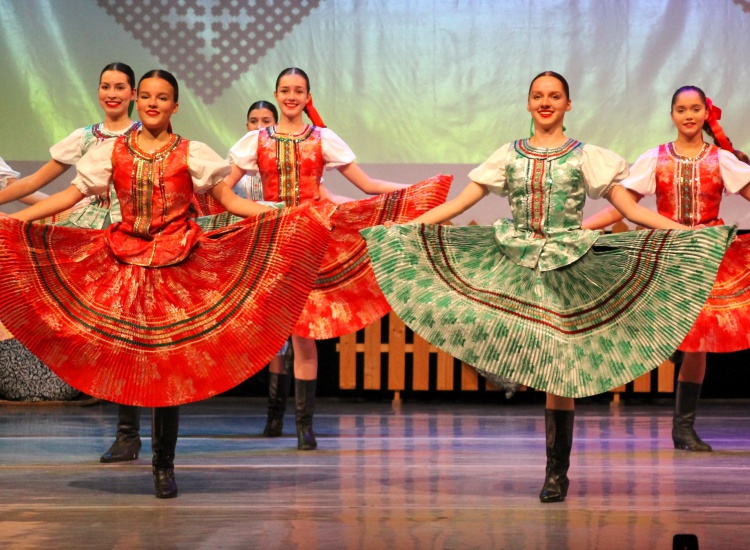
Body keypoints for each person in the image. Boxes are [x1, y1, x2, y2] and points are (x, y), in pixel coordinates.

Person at [361, 71, 733, 502]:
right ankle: (518, 400)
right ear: (528, 103)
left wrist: (688, 234)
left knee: (560, 370)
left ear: (567, 105)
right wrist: (405, 229)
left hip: (567, 264)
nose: (545, 102)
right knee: (496, 330)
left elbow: (629, 209)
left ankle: (556, 473)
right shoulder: (509, 155)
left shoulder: (585, 156)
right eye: (538, 95)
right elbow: (461, 203)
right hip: (515, 260)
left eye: (554, 96)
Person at [0, 69, 331, 498]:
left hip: (177, 268)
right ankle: (127, 438)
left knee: (166, 369)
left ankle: (163, 464)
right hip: (125, 264)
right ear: (137, 101)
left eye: (162, 97)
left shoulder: (193, 153)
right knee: (127, 356)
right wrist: (13, 224)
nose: (153, 103)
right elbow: (69, 196)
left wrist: (286, 215)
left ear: (175, 106)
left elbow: (231, 201)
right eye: (147, 96)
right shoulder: (111, 152)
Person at [222, 67, 451, 450]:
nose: (291, 96)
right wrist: (261, 212)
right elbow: (224, 189)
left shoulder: (321, 138)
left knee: (303, 336)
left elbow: (367, 184)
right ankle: (275, 416)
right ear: (276, 95)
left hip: (310, 241)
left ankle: (304, 427)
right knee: (265, 333)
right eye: (285, 90)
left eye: (298, 91)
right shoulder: (255, 140)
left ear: (307, 97)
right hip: (271, 240)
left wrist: (419, 189)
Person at [583, 85, 750, 452]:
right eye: (681, 109)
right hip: (668, 253)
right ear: (672, 115)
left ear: (706, 113)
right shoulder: (655, 158)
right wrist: (583, 228)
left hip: (706, 256)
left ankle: (683, 428)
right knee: (670, 334)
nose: (689, 115)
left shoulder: (720, 160)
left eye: (695, 108)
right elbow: (622, 206)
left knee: (698, 343)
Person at [0, 62, 140, 219]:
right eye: (105, 87)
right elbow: (33, 181)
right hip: (89, 221)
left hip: (135, 222)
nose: (111, 94)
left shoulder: (144, 136)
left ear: (133, 93)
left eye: (120, 88)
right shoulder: (85, 137)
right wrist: (10, 220)